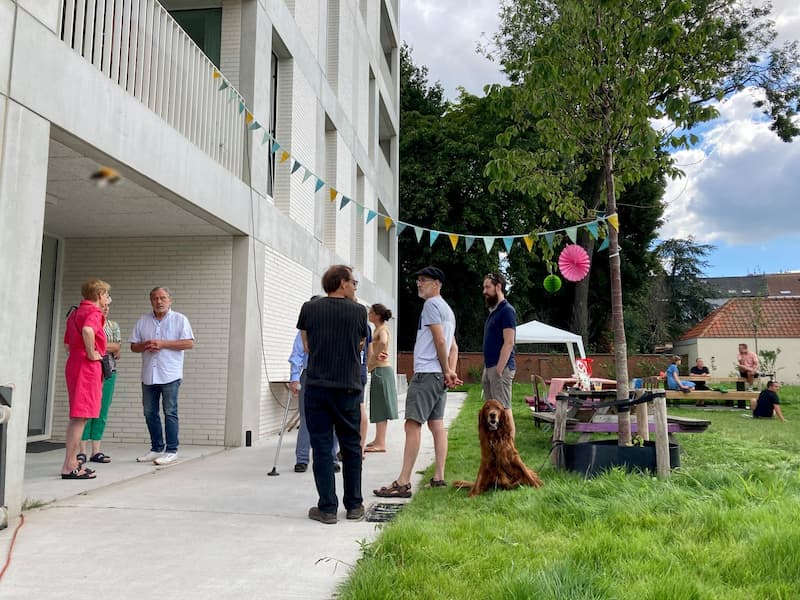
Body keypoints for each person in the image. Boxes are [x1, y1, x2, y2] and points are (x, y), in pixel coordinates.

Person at [374, 266, 461, 499]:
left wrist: (447, 370)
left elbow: (440, 340)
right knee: (437, 424)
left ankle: (403, 482)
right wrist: (449, 372)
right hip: (438, 376)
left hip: (426, 374)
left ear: (437, 284)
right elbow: (453, 347)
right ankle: (439, 477)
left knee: (412, 425)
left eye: (424, 280)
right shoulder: (448, 309)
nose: (419, 284)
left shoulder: (431, 305)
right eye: (418, 280)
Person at [297, 265, 369, 524]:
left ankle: (327, 508)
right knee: (351, 446)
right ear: (342, 283)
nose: (355, 286)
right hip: (348, 386)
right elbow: (360, 344)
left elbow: (306, 345)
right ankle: (354, 505)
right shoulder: (359, 311)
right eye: (353, 282)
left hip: (317, 386)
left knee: (322, 447)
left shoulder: (309, 308)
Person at [129, 287, 194, 465]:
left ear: (170, 300)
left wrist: (163, 344)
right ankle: (156, 448)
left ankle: (172, 450)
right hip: (149, 374)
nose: (159, 301)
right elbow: (133, 346)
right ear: (151, 301)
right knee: (149, 412)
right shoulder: (143, 320)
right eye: (155, 298)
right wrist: (146, 345)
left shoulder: (180, 319)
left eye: (163, 298)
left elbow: (189, 343)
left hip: (170, 374)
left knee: (170, 411)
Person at [62, 278, 111, 479]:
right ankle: (70, 466)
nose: (108, 299)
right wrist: (91, 353)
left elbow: (67, 345)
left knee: (77, 416)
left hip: (74, 363)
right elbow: (88, 330)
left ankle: (71, 462)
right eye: (106, 295)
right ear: (99, 295)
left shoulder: (75, 313)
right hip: (87, 367)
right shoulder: (94, 312)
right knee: (81, 416)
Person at [288, 296, 340, 474]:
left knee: (332, 418)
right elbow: (297, 355)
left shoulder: (334, 329)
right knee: (307, 418)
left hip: (331, 375)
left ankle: (331, 458)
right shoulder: (304, 332)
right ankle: (302, 459)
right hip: (309, 374)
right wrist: (294, 378)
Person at [79, 303, 121, 464]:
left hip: (108, 371)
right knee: (86, 411)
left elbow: (117, 348)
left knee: (102, 411)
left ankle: (96, 451)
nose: (106, 309)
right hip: (90, 372)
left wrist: (96, 345)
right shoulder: (88, 324)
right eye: (103, 306)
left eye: (107, 307)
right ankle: (81, 451)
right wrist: (107, 347)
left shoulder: (113, 326)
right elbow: (83, 344)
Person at [481, 272, 517, 438]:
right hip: (490, 367)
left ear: (498, 287)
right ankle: (496, 445)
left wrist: (499, 369)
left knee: (504, 409)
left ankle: (509, 448)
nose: (484, 291)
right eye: (484, 287)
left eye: (487, 287)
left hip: (500, 368)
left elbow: (509, 342)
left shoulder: (507, 311)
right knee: (491, 409)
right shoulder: (494, 312)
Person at [364, 303, 398, 452]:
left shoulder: (382, 329)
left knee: (381, 407)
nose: (369, 315)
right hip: (379, 371)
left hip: (381, 371)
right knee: (378, 406)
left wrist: (374, 356)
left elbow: (383, 341)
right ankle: (378, 439)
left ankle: (381, 443)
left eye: (371, 312)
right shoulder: (377, 329)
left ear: (377, 315)